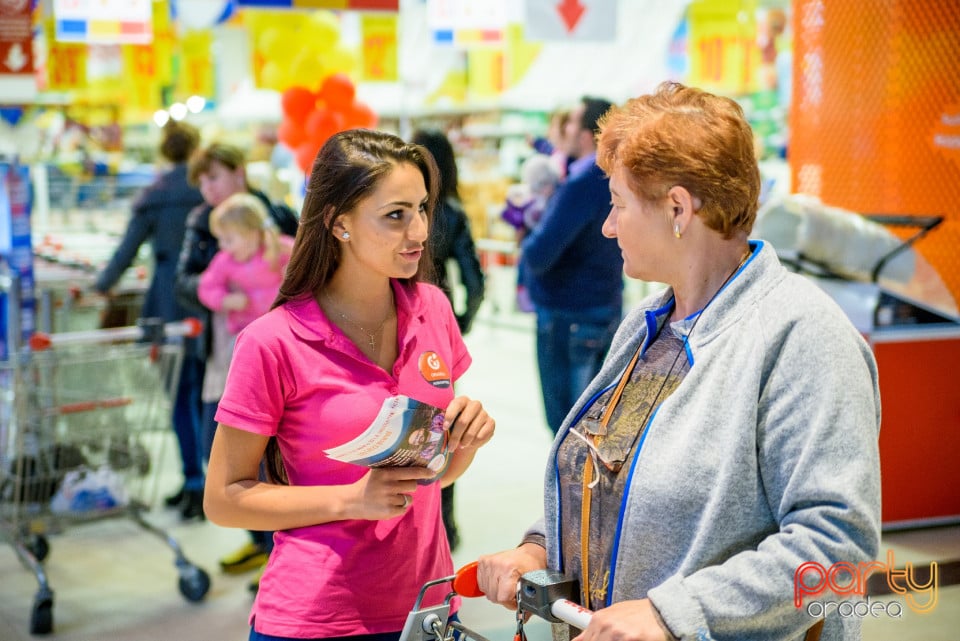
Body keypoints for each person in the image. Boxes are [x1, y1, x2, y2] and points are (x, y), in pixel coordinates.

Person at [475, 82, 881, 641]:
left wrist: (677, 612)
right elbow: (609, 473)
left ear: (677, 209)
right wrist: (538, 546)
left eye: (617, 204)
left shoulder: (803, 337)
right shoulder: (648, 324)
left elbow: (841, 553)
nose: (607, 226)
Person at [203, 129, 495, 640]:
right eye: (395, 215)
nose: (420, 231)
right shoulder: (272, 342)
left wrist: (463, 441)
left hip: (425, 609)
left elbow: (433, 479)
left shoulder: (433, 309)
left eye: (423, 209)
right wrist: (350, 500)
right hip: (316, 617)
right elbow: (224, 499)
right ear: (339, 223)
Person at [174, 143, 299, 568]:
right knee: (228, 439)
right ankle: (260, 534)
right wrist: (222, 300)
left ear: (238, 173)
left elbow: (306, 269)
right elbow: (191, 282)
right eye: (202, 181)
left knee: (282, 441)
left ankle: (278, 538)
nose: (207, 188)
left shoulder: (276, 226)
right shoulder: (206, 228)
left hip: (286, 350)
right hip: (228, 351)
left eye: (213, 177)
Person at [93, 120, 206, 520]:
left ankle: (193, 479)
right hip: (207, 306)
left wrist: (101, 286)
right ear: (195, 151)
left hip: (165, 307)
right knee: (206, 397)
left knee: (177, 395)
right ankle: (209, 482)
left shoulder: (154, 197)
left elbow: (125, 252)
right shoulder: (205, 193)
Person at [520, 96, 624, 434]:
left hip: (570, 315)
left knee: (570, 427)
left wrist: (527, 226)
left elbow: (540, 252)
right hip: (602, 306)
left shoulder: (582, 183)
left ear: (585, 135)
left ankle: (578, 489)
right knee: (594, 421)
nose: (563, 130)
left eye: (571, 123)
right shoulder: (609, 176)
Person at [411, 128, 486, 553]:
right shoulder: (453, 212)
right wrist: (462, 322)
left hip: (407, 319)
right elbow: (474, 276)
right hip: (439, 328)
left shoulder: (401, 213)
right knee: (444, 427)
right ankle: (445, 525)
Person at [197, 193, 294, 465]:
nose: (223, 245)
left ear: (252, 233)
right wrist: (226, 300)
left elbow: (303, 264)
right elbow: (206, 287)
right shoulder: (225, 261)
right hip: (244, 335)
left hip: (280, 333)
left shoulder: (279, 248)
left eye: (228, 238)